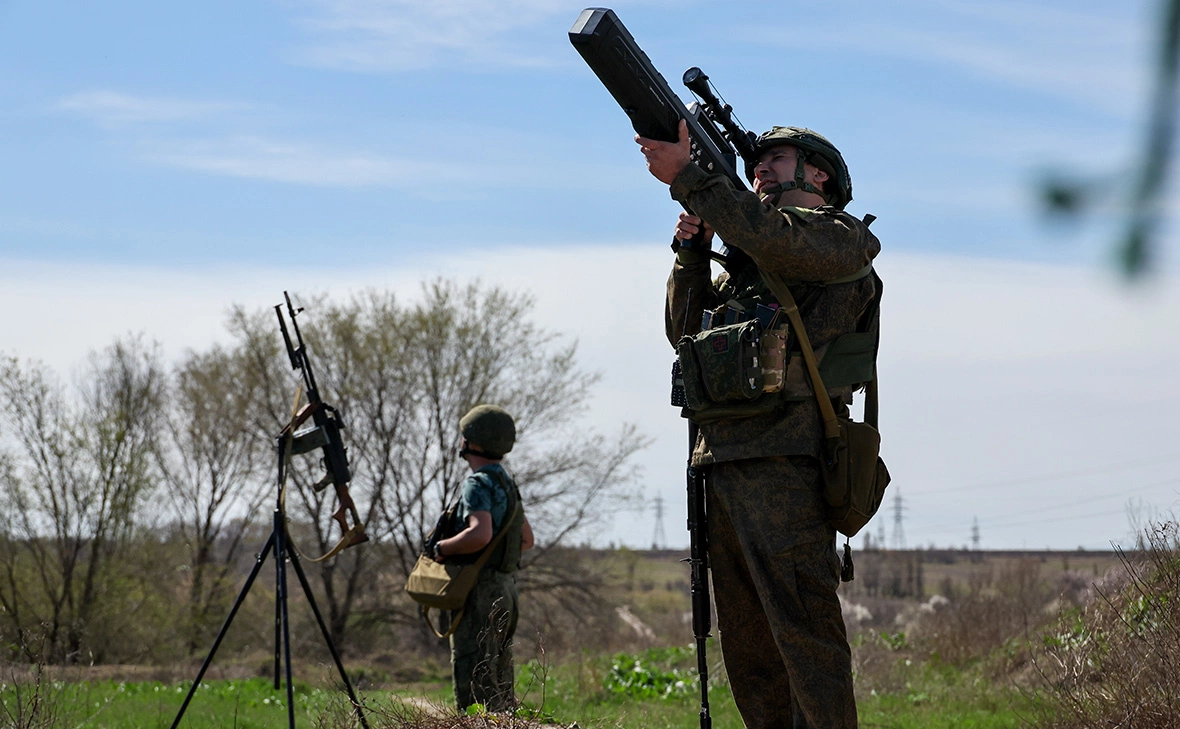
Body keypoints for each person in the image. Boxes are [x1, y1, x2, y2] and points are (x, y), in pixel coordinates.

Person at [636, 119, 881, 728]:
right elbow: (684, 333)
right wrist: (690, 256)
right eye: (755, 163)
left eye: (775, 158)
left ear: (818, 173)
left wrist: (692, 180)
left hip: (787, 464)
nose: (759, 168)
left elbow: (775, 236)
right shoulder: (749, 265)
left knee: (805, 636)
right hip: (721, 462)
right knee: (749, 649)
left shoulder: (838, 240)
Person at [429, 404, 534, 712]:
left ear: (472, 443)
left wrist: (442, 549)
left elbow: (480, 534)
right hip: (506, 590)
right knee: (499, 680)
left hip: (480, 591)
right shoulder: (507, 483)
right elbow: (526, 540)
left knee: (473, 677)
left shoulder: (478, 483)